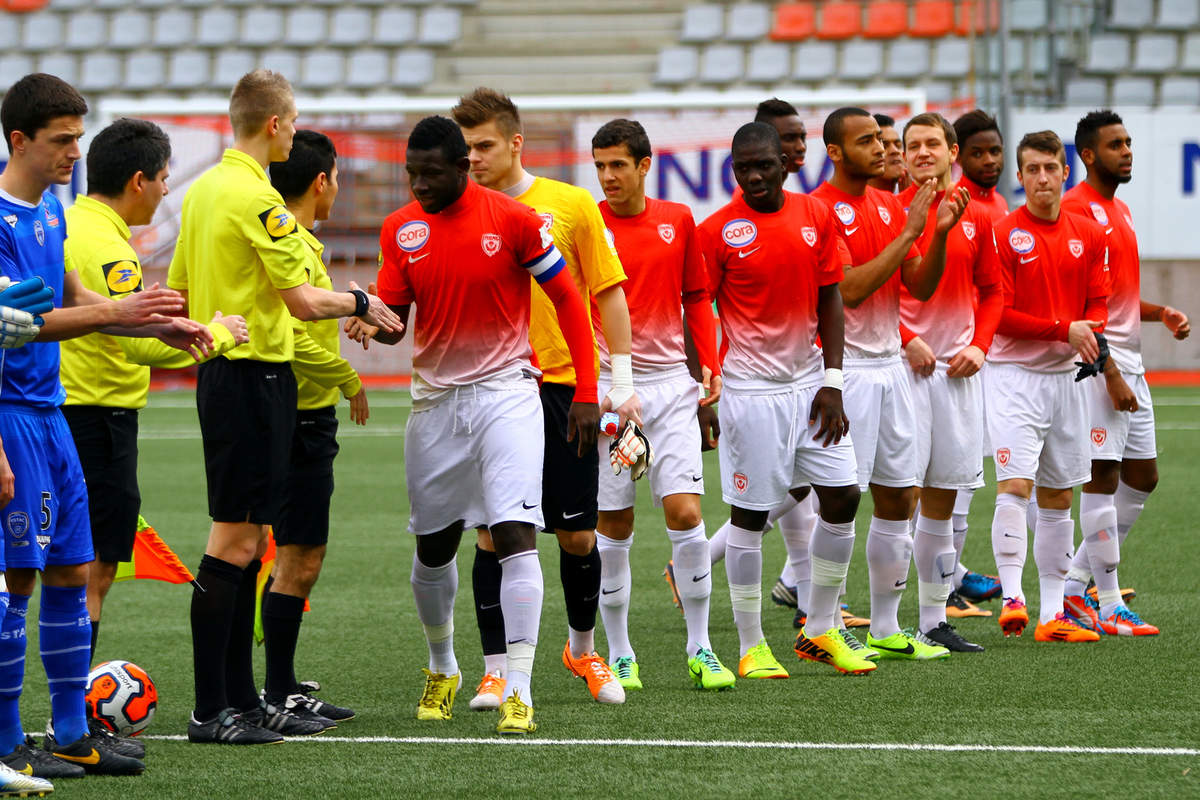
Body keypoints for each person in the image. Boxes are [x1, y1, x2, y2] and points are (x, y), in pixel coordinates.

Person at [167, 69, 401, 745]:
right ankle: (213, 709)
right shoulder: (256, 199)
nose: (296, 132)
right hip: (253, 377)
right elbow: (303, 301)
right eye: (293, 121)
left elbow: (183, 290)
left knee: (249, 544)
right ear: (273, 125)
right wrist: (361, 303)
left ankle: (241, 700)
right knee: (236, 542)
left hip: (230, 374)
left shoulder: (204, 190)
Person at [0, 73, 215, 781]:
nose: (73, 153)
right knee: (17, 579)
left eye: (77, 139)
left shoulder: (53, 210)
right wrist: (116, 315)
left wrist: (149, 316)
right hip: (9, 418)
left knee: (70, 567)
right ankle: (5, 741)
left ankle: (68, 732)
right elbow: (24, 325)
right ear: (19, 139)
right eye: (61, 141)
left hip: (52, 413)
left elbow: (67, 294)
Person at [360, 115, 598, 734]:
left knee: (516, 530)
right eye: (411, 173)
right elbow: (397, 318)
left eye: (431, 173)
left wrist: (588, 390)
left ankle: (519, 685)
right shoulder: (400, 229)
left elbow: (569, 299)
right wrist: (370, 318)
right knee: (434, 548)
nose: (419, 185)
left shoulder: (515, 221)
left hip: (506, 395)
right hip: (435, 406)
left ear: (462, 167)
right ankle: (443, 666)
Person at [450, 89, 640, 709]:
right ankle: (495, 669)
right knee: (492, 536)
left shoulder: (570, 204)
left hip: (563, 390)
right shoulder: (456, 210)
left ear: (514, 143)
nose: (473, 158)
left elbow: (607, 290)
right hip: (492, 391)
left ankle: (583, 649)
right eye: (465, 148)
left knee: (578, 535)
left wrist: (619, 380)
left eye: (483, 146)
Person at [60, 118, 247, 671]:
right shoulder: (111, 250)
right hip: (97, 418)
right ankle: (70, 717)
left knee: (65, 569)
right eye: (164, 178)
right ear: (138, 180)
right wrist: (217, 337)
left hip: (66, 409)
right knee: (91, 572)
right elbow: (139, 346)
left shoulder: (71, 223)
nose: (168, 189)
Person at [700, 122, 873, 677]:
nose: (753, 176)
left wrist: (833, 379)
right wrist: (703, 385)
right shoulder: (717, 232)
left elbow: (832, 300)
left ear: (784, 163)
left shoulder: (814, 217)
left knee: (843, 495)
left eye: (763, 165)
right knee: (749, 516)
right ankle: (751, 644)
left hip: (810, 387)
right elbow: (695, 310)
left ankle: (820, 627)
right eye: (742, 167)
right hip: (750, 394)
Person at [811, 107, 966, 662]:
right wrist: (908, 233)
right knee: (841, 498)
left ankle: (883, 625)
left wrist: (938, 234)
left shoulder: (886, 203)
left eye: (881, 139)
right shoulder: (823, 210)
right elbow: (849, 290)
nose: (882, 148)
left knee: (899, 496)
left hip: (889, 368)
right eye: (867, 141)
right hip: (843, 369)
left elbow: (918, 286)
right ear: (835, 152)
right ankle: (821, 623)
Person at [589, 118, 733, 690]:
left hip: (672, 389)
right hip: (609, 393)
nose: (608, 177)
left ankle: (700, 647)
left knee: (687, 513)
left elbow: (696, 295)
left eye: (618, 165)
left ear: (644, 165)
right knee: (615, 522)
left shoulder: (678, 221)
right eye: (599, 166)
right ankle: (621, 651)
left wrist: (709, 364)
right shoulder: (585, 225)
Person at [1061, 110, 1186, 636]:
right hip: (1100, 359)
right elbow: (1081, 305)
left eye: (1129, 142)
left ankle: (1073, 588)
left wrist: (1160, 314)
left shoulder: (1121, 210)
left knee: (1143, 476)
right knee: (1103, 476)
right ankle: (1108, 602)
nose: (1127, 151)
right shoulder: (1075, 212)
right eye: (1116, 144)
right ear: (1088, 155)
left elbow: (1120, 294)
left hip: (1129, 356)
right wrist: (1107, 369)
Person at [259, 130, 366, 725]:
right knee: (299, 555)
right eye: (336, 177)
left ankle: (280, 684)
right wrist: (347, 377)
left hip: (302, 414)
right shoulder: (293, 244)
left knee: (300, 553)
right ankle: (278, 693)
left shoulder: (303, 243)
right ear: (321, 181)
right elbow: (295, 337)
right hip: (300, 415)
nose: (337, 188)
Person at [986, 130, 1108, 644]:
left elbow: (1100, 301)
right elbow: (1000, 314)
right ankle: (1013, 597)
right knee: (1016, 484)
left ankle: (1052, 614)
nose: (1041, 178)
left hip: (1067, 381)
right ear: (1019, 177)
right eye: (1031, 169)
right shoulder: (1003, 234)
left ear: (1066, 173)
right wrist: (1066, 330)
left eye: (1050, 168)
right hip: (1015, 377)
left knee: (1060, 496)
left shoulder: (1089, 233)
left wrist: (1091, 332)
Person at [896, 112, 1002, 652]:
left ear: (952, 150)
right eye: (912, 145)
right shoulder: (890, 211)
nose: (921, 153)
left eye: (932, 143)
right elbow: (868, 296)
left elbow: (993, 291)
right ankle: (873, 623)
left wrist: (980, 345)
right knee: (896, 496)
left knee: (942, 498)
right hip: (904, 373)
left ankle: (933, 619)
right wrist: (905, 336)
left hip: (958, 375)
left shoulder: (980, 215)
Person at [868, 113, 907, 194]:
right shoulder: (846, 205)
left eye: (898, 145)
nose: (895, 151)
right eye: (884, 146)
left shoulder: (918, 200)